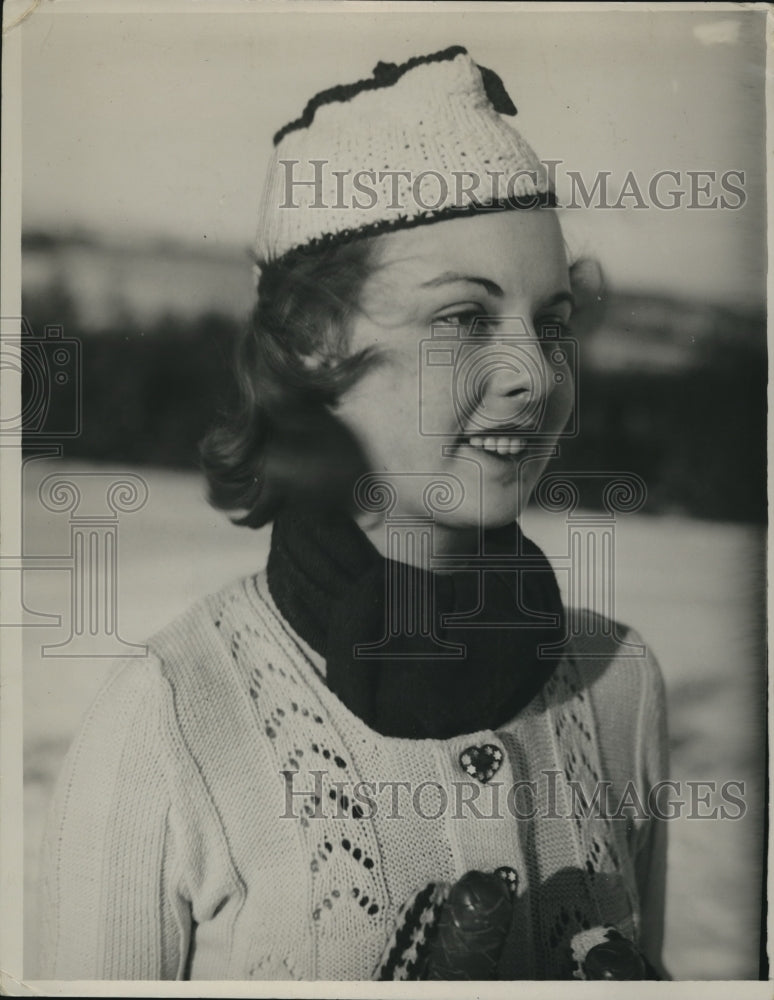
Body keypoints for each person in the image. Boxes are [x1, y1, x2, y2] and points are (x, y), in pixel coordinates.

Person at [37, 45, 669, 981]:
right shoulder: (168, 724)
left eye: (554, 322)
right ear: (313, 352)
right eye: (462, 319)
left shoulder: (620, 687)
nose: (535, 377)